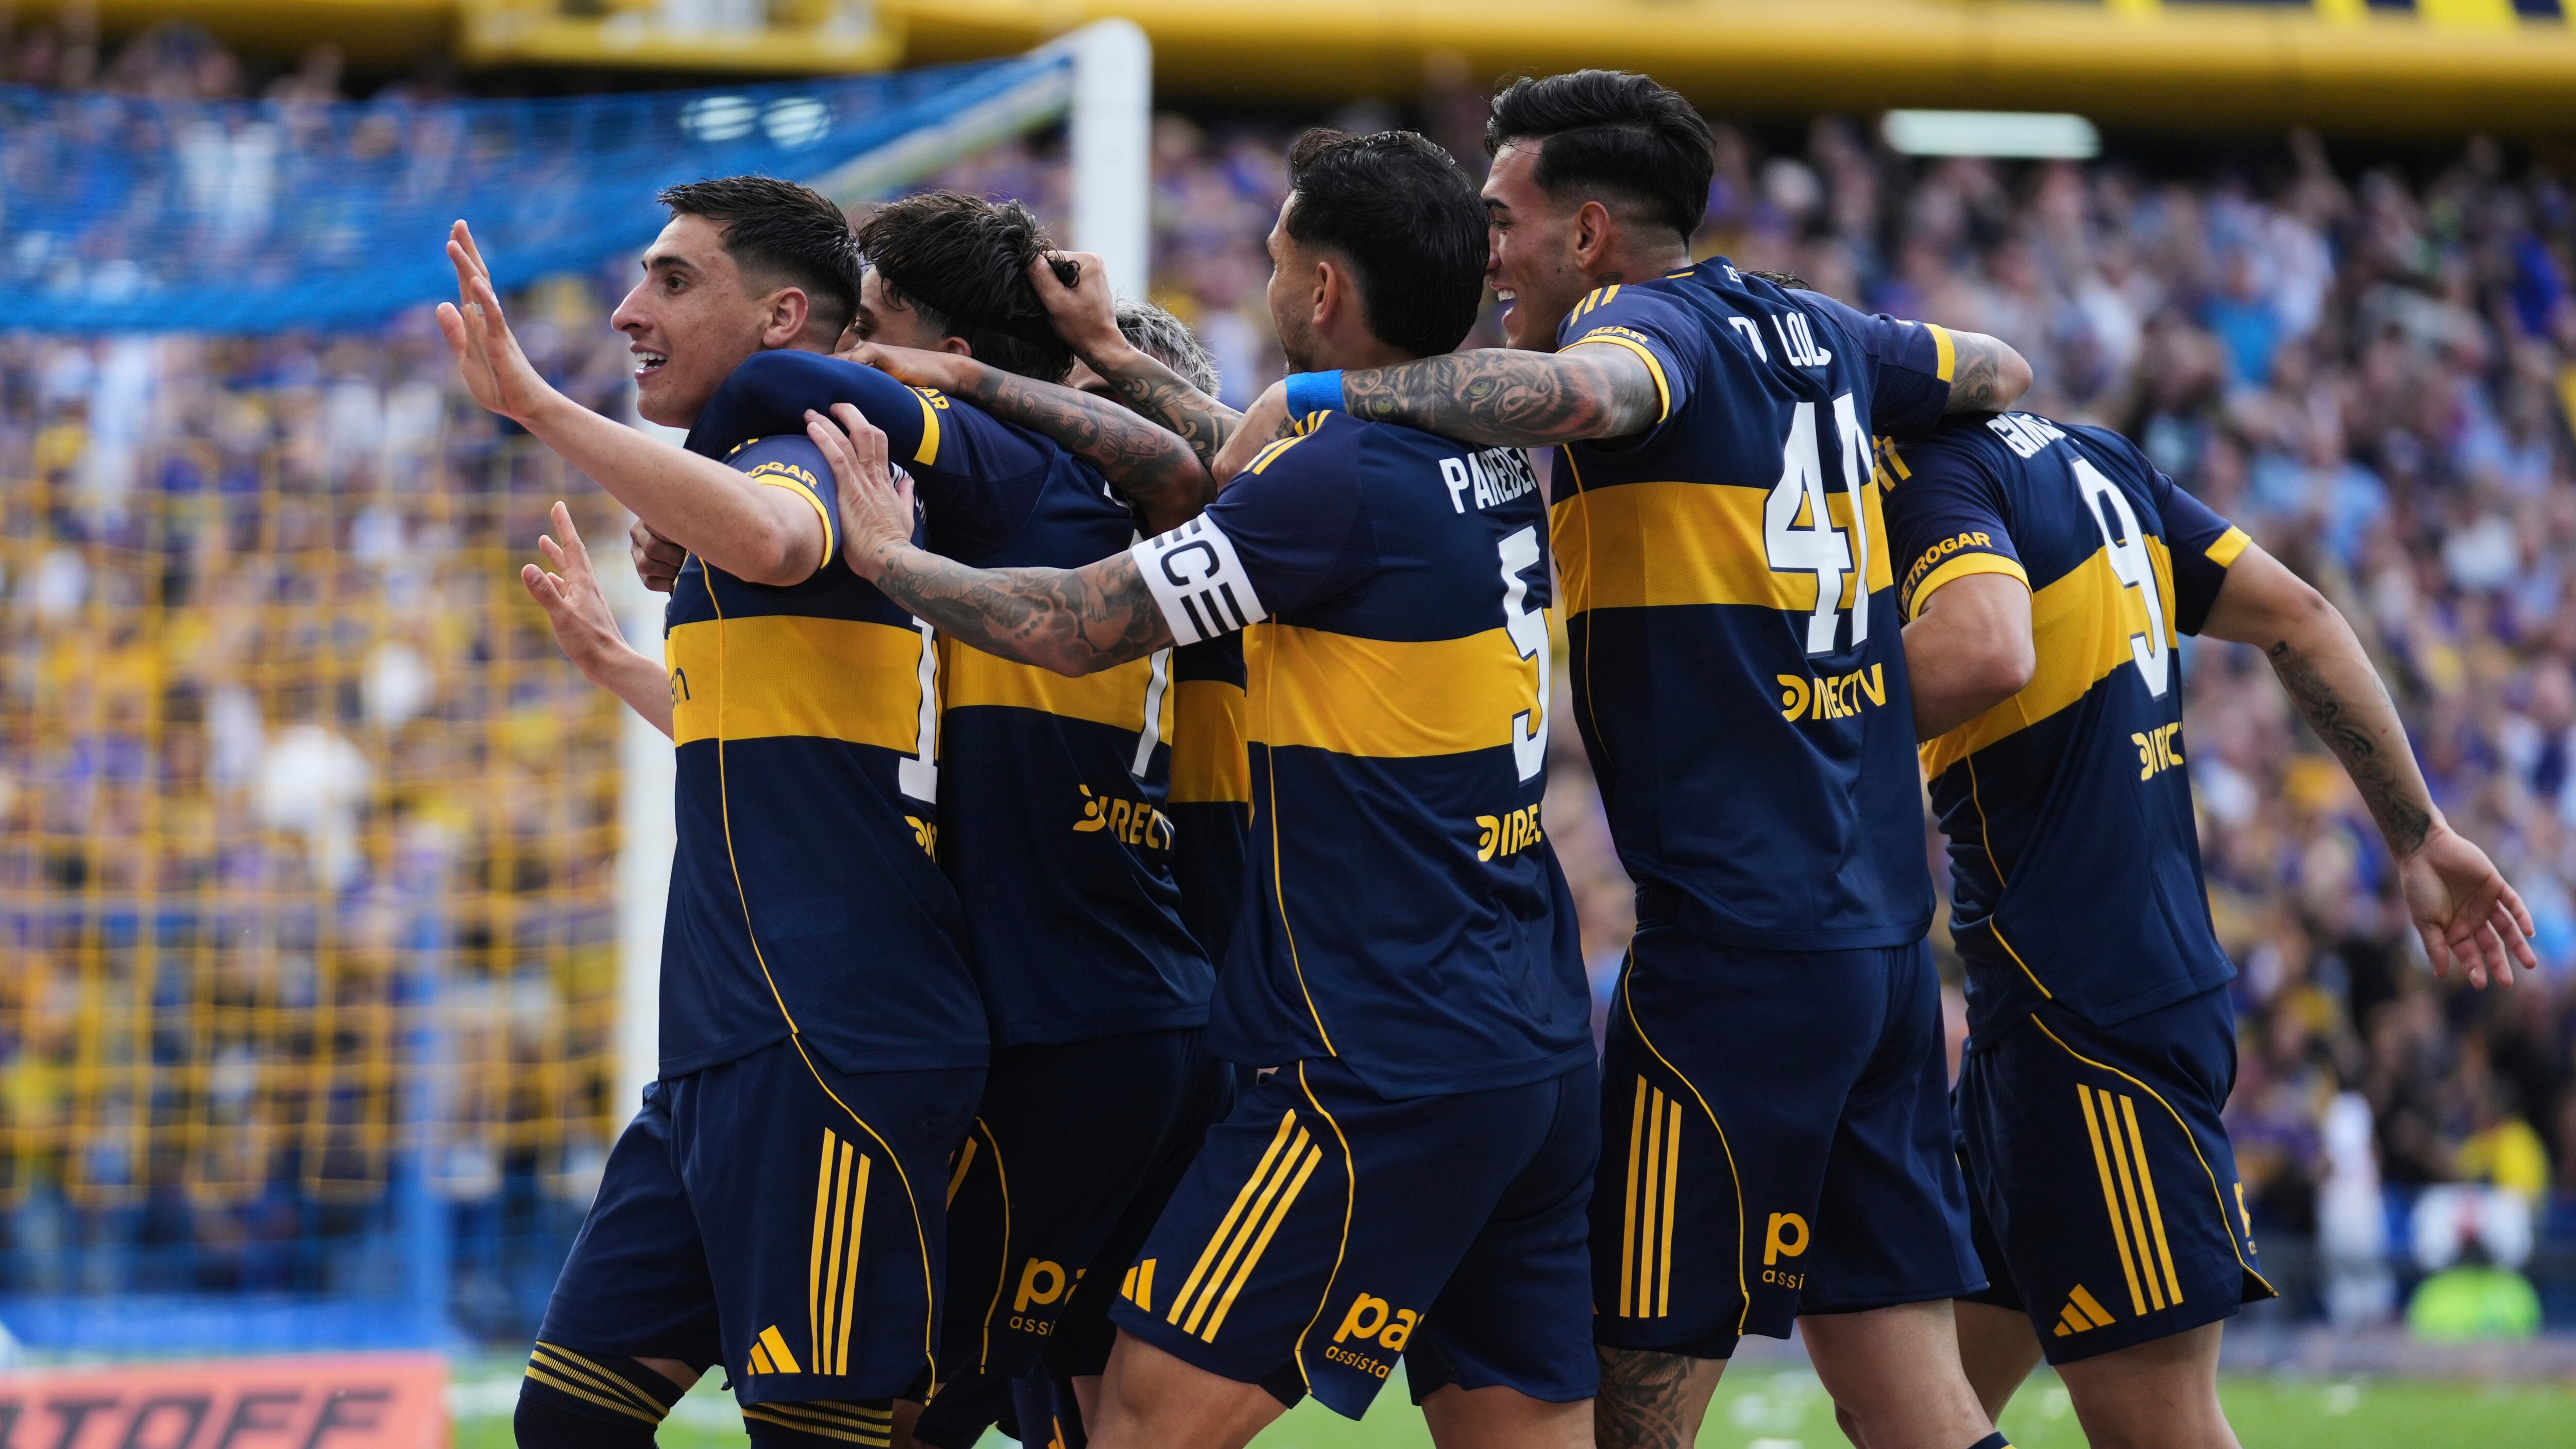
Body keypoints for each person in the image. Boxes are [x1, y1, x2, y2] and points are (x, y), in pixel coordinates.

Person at [1215, 71, 2029, 1449]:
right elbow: (1997, 366)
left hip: (1739, 954)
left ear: (1586, 236)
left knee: (1621, 1410)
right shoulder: (1822, 327)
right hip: (1886, 944)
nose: (1483, 252)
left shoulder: (1644, 328)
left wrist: (1320, 386)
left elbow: (1582, 395)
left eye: (1500, 218)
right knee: (1906, 1393)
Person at [802, 127, 1600, 1449]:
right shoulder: (1475, 456)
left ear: (1325, 293)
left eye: (1278, 259)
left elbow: (1075, 620)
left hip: (1375, 1059)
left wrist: (890, 556)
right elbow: (1227, 471)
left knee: (1139, 1427)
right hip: (1526, 1045)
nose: (1270, 283)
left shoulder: (1341, 478)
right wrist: (1078, 360)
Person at [622, 193, 1241, 1449]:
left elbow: (786, 378)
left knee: (884, 1412)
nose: (860, 357)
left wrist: (705, 472)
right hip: (1154, 1008)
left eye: (882, 327)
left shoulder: (1010, 497)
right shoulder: (1134, 525)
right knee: (1068, 1408)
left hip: (1062, 1029)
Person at [437, 179, 989, 1448]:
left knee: (820, 1433)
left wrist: (532, 402)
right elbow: (790, 741)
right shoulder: (749, 473)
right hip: (726, 1047)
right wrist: (620, 665)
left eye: (675, 281)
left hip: (834, 1041)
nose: (630, 309)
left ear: (784, 315)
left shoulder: (811, 438)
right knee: (567, 1423)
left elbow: (781, 542)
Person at [1884, 404, 2535, 1448]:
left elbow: (1984, 651)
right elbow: (2303, 615)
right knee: (1907, 1408)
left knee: (2156, 1424)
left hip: (2084, 1021)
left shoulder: (1923, 477)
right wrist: (2418, 837)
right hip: (2058, 1012)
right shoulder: (2089, 455)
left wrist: (1780, 717)